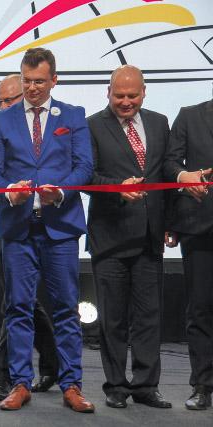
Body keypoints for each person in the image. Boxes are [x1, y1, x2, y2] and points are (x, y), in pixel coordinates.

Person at [0, 47, 95, 412]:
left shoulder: (73, 116)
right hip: (18, 227)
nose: (32, 88)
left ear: (54, 80)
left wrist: (60, 192)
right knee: (18, 308)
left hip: (60, 228)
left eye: (39, 82)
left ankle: (72, 385)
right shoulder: (2, 120)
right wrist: (8, 192)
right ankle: (20, 383)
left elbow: (84, 167)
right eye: (27, 81)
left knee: (65, 309)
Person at [0, 74, 58, 402]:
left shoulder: (48, 128)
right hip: (10, 231)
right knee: (20, 302)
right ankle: (16, 374)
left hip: (49, 229)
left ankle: (40, 367)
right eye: (0, 101)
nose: (4, 106)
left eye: (10, 100)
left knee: (23, 303)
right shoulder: (1, 127)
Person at [87, 65, 171, 409]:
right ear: (108, 92)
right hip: (110, 238)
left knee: (149, 317)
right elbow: (86, 176)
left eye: (132, 95)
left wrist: (171, 220)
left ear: (144, 92)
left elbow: (165, 172)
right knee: (114, 320)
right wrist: (116, 189)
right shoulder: (92, 125)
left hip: (150, 236)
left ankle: (147, 386)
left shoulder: (159, 123)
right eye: (119, 95)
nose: (125, 101)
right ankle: (116, 387)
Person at [164, 92, 213, 410]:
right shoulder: (189, 115)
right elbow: (169, 164)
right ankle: (202, 385)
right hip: (200, 227)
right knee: (200, 309)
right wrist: (185, 176)